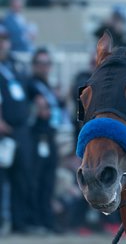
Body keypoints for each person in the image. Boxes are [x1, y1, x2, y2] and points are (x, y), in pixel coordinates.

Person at [0, 24, 36, 234]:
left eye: (5, 40)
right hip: (5, 129)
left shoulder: (12, 66)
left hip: (21, 129)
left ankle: (20, 221)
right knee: (3, 178)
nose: (4, 44)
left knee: (23, 176)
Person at [27, 48, 64, 233]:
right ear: (34, 66)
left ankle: (47, 220)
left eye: (47, 64)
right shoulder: (30, 84)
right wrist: (37, 108)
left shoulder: (47, 86)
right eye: (40, 64)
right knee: (36, 180)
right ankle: (34, 220)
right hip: (36, 137)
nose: (44, 68)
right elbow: (28, 109)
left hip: (50, 137)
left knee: (49, 182)